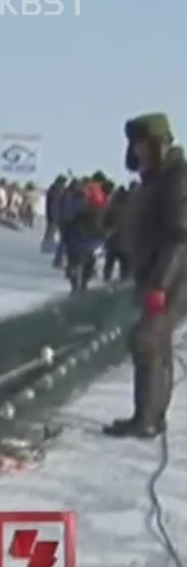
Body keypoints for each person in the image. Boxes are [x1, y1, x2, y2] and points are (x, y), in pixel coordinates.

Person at [105, 113, 187, 439]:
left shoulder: (177, 178)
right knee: (156, 342)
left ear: (156, 143)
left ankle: (146, 419)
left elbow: (180, 236)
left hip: (172, 277)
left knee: (147, 341)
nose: (136, 151)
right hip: (157, 273)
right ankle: (154, 415)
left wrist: (160, 284)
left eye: (141, 143)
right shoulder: (156, 179)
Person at [103, 181, 135, 282]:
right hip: (125, 242)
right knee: (125, 266)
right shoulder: (132, 208)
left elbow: (104, 222)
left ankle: (107, 279)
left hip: (114, 240)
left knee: (110, 263)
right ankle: (123, 280)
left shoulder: (111, 207)